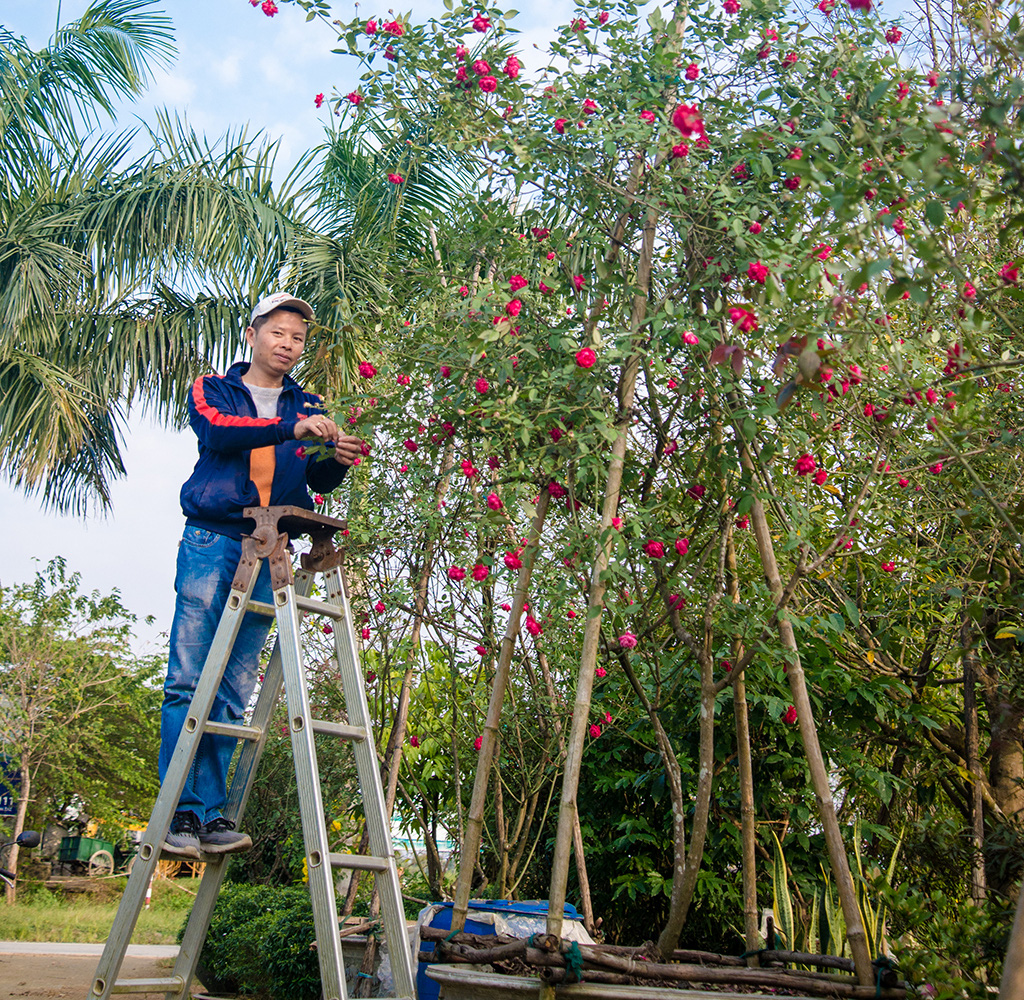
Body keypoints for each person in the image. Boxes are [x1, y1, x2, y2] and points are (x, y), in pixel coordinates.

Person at [159, 292, 363, 858]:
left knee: (235, 687)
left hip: (270, 544)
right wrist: (289, 432)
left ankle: (210, 812)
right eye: (278, 332)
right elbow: (219, 433)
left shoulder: (309, 404)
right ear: (253, 335)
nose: (288, 344)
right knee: (188, 677)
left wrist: (334, 459)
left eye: (297, 337)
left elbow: (316, 484)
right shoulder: (215, 389)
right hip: (213, 540)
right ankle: (177, 812)